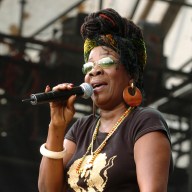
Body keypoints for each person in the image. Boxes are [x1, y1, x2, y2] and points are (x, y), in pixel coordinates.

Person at [38, 8, 173, 192]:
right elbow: (47, 190)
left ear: (131, 74)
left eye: (106, 62)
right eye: (89, 67)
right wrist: (56, 125)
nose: (94, 71)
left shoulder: (144, 122)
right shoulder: (82, 128)